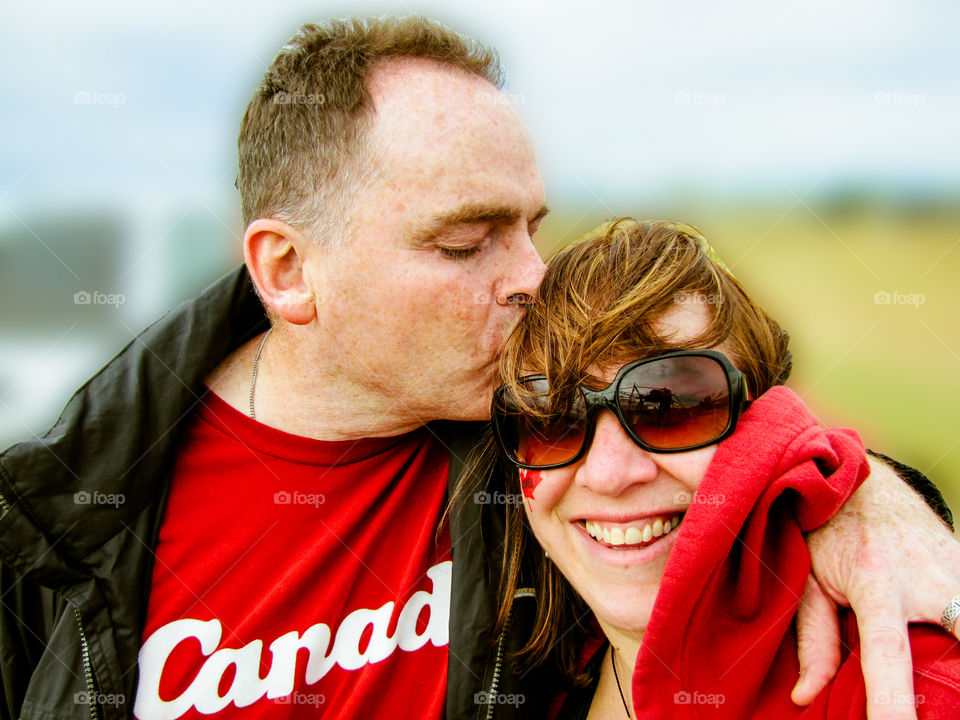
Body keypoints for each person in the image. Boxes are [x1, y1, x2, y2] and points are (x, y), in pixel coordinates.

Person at [0, 15, 957, 720]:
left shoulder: (547, 435)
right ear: (288, 272)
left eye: (531, 227)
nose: (533, 282)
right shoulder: (55, 523)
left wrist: (863, 501)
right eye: (467, 244)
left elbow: (740, 426)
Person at [485, 218, 960, 718]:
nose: (608, 473)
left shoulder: (910, 683)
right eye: (555, 418)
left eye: (672, 406)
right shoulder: (533, 667)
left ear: (764, 423)